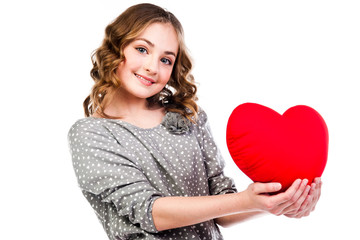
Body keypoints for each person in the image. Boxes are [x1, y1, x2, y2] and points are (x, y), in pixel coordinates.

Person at [68, 3, 322, 240]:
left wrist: (275, 202)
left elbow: (223, 207)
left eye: (166, 59)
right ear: (116, 47)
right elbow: (150, 211)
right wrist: (247, 200)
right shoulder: (91, 133)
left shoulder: (189, 117)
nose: (152, 67)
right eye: (142, 49)